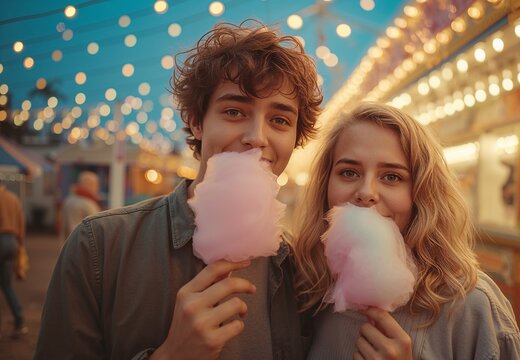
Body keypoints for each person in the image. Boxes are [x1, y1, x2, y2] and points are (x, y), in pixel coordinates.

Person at [35, 20, 322, 359]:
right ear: (197, 121)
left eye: (280, 120)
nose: (257, 137)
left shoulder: (302, 272)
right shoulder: (99, 247)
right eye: (234, 111)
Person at [293, 103, 520, 359]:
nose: (367, 193)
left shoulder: (472, 306)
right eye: (349, 172)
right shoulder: (308, 291)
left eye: (392, 177)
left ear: (421, 194)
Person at [0, 182, 29, 338]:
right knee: (6, 285)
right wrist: (21, 246)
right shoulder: (13, 198)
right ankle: (19, 320)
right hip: (12, 241)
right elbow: (21, 223)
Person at [60, 170, 101, 240]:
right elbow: (96, 227)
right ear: (90, 185)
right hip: (83, 242)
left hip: (69, 241)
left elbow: (64, 226)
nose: (97, 188)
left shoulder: (69, 199)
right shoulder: (89, 204)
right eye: (96, 185)